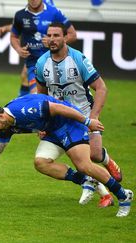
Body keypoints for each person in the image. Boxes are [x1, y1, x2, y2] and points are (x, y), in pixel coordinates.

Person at [0, 94, 133, 217]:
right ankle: (86, 181)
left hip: (69, 123)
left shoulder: (23, 110)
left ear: (1, 115)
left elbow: (58, 107)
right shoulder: (6, 125)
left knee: (84, 165)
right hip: (52, 131)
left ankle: (123, 196)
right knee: (41, 162)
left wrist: (87, 122)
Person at [36, 22, 123, 203]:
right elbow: (41, 96)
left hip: (83, 115)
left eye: (56, 36)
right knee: (80, 161)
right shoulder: (41, 62)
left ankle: (106, 160)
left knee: (94, 155)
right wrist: (42, 123)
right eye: (49, 36)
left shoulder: (78, 59)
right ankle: (106, 195)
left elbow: (101, 88)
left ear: (66, 37)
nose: (52, 40)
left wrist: (93, 116)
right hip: (59, 119)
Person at [11, 0, 77, 95]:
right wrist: (18, 49)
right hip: (34, 65)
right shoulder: (20, 15)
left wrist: (53, 43)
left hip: (55, 63)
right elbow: (14, 36)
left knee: (57, 98)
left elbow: (72, 35)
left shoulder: (54, 13)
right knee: (37, 95)